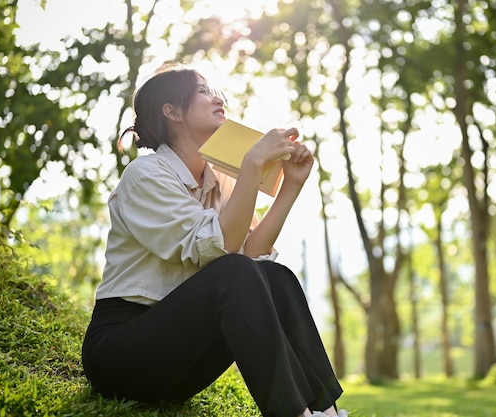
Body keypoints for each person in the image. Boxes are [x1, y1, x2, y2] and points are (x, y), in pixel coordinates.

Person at [81, 62, 347, 417]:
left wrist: (291, 187)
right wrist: (253, 162)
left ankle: (327, 412)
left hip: (181, 360)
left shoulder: (219, 178)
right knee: (234, 272)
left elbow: (251, 253)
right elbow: (219, 251)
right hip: (121, 355)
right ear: (171, 111)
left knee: (276, 276)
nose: (218, 98)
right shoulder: (145, 175)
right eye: (204, 91)